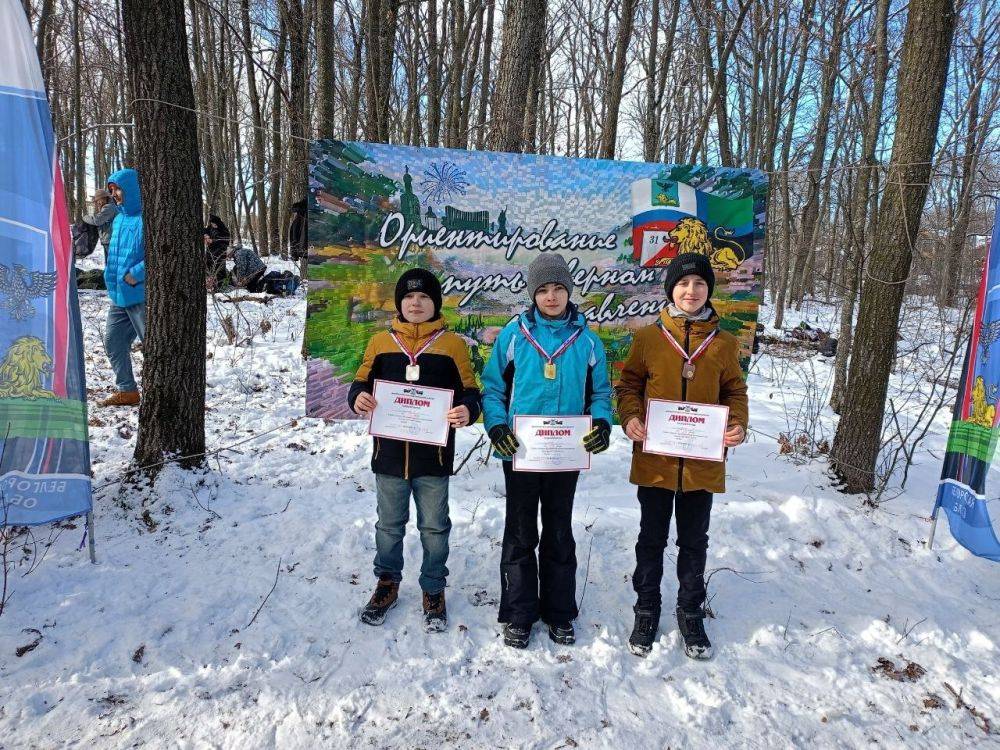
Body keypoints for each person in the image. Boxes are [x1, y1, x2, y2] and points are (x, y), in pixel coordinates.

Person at [616, 253, 749, 660]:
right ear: (671, 289)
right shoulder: (649, 338)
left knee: (694, 541)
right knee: (650, 538)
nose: (691, 292)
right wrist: (632, 417)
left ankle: (690, 611)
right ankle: (647, 607)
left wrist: (738, 425)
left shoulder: (724, 343)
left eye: (699, 285)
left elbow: (734, 393)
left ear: (709, 291)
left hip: (701, 463)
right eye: (683, 284)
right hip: (655, 460)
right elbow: (629, 385)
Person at [481, 253, 613, 649]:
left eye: (558, 288)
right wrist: (497, 425)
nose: (551, 296)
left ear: (569, 291)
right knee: (520, 532)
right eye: (543, 289)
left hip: (565, 454)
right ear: (532, 294)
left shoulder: (587, 341)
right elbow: (493, 388)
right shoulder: (514, 334)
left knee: (558, 531)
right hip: (520, 450)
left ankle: (559, 612)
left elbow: (601, 393)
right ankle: (519, 612)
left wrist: (602, 423)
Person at [347, 268, 482, 633]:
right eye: (409, 297)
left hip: (433, 460)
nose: (416, 303)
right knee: (388, 526)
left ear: (435, 303)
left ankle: (433, 588)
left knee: (434, 527)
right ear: (400, 304)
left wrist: (468, 409)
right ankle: (387, 582)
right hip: (388, 456)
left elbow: (470, 390)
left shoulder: (452, 345)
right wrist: (357, 396)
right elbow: (361, 381)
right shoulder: (381, 342)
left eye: (424, 297)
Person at [99, 168, 146, 408]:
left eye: (118, 189)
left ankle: (166, 393)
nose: (115, 194)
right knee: (113, 341)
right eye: (112, 190)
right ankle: (127, 390)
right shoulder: (118, 219)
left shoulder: (148, 218)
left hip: (140, 293)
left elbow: (161, 256)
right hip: (119, 295)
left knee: (154, 347)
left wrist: (136, 274)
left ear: (133, 190)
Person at [81, 188, 118, 262]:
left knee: (111, 264)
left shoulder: (109, 207)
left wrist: (84, 217)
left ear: (104, 198)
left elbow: (97, 221)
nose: (97, 203)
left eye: (98, 200)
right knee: (109, 263)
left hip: (111, 240)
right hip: (109, 240)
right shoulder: (110, 206)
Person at [204, 214, 231, 291]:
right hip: (210, 253)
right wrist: (206, 235)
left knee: (220, 270)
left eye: (215, 224)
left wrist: (213, 241)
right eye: (212, 224)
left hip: (220, 253)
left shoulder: (224, 230)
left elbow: (225, 240)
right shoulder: (211, 227)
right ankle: (210, 285)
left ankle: (221, 287)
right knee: (208, 268)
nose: (213, 225)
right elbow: (205, 230)